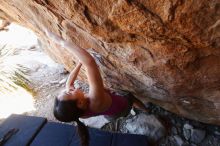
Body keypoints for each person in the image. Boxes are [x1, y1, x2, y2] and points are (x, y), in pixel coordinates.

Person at [44, 30, 148, 146]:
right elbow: (90, 62)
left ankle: (139, 109)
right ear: (79, 103)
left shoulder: (78, 112)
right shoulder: (95, 100)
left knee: (109, 97)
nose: (69, 89)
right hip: (122, 107)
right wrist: (61, 41)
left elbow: (69, 82)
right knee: (131, 98)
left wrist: (79, 63)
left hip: (110, 114)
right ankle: (146, 110)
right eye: (68, 93)